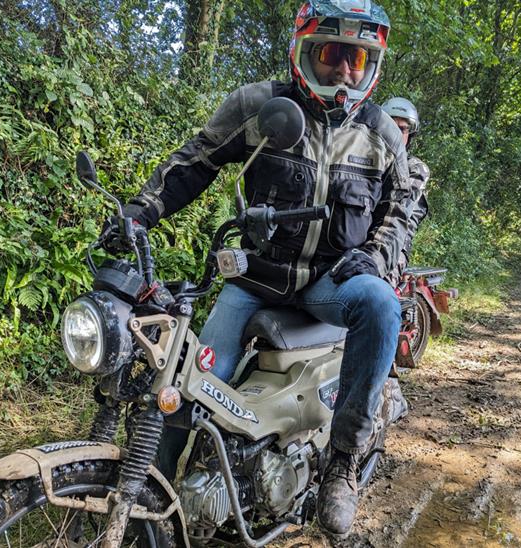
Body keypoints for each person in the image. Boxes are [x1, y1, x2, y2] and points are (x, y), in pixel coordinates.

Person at [106, 0, 411, 537]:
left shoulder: (381, 133)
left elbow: (400, 211)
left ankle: (343, 462)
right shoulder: (259, 105)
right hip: (254, 279)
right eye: (333, 54)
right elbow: (196, 161)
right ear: (303, 53)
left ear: (372, 66)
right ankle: (154, 504)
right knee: (185, 387)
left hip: (331, 281)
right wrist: (139, 212)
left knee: (383, 305)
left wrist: (379, 255)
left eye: (358, 60)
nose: (344, 70)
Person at [380, 97, 430, 424]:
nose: (398, 136)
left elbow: (399, 209)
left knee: (378, 299)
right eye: (391, 129)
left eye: (403, 130)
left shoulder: (414, 168)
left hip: (392, 247)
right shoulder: (360, 159)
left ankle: (388, 385)